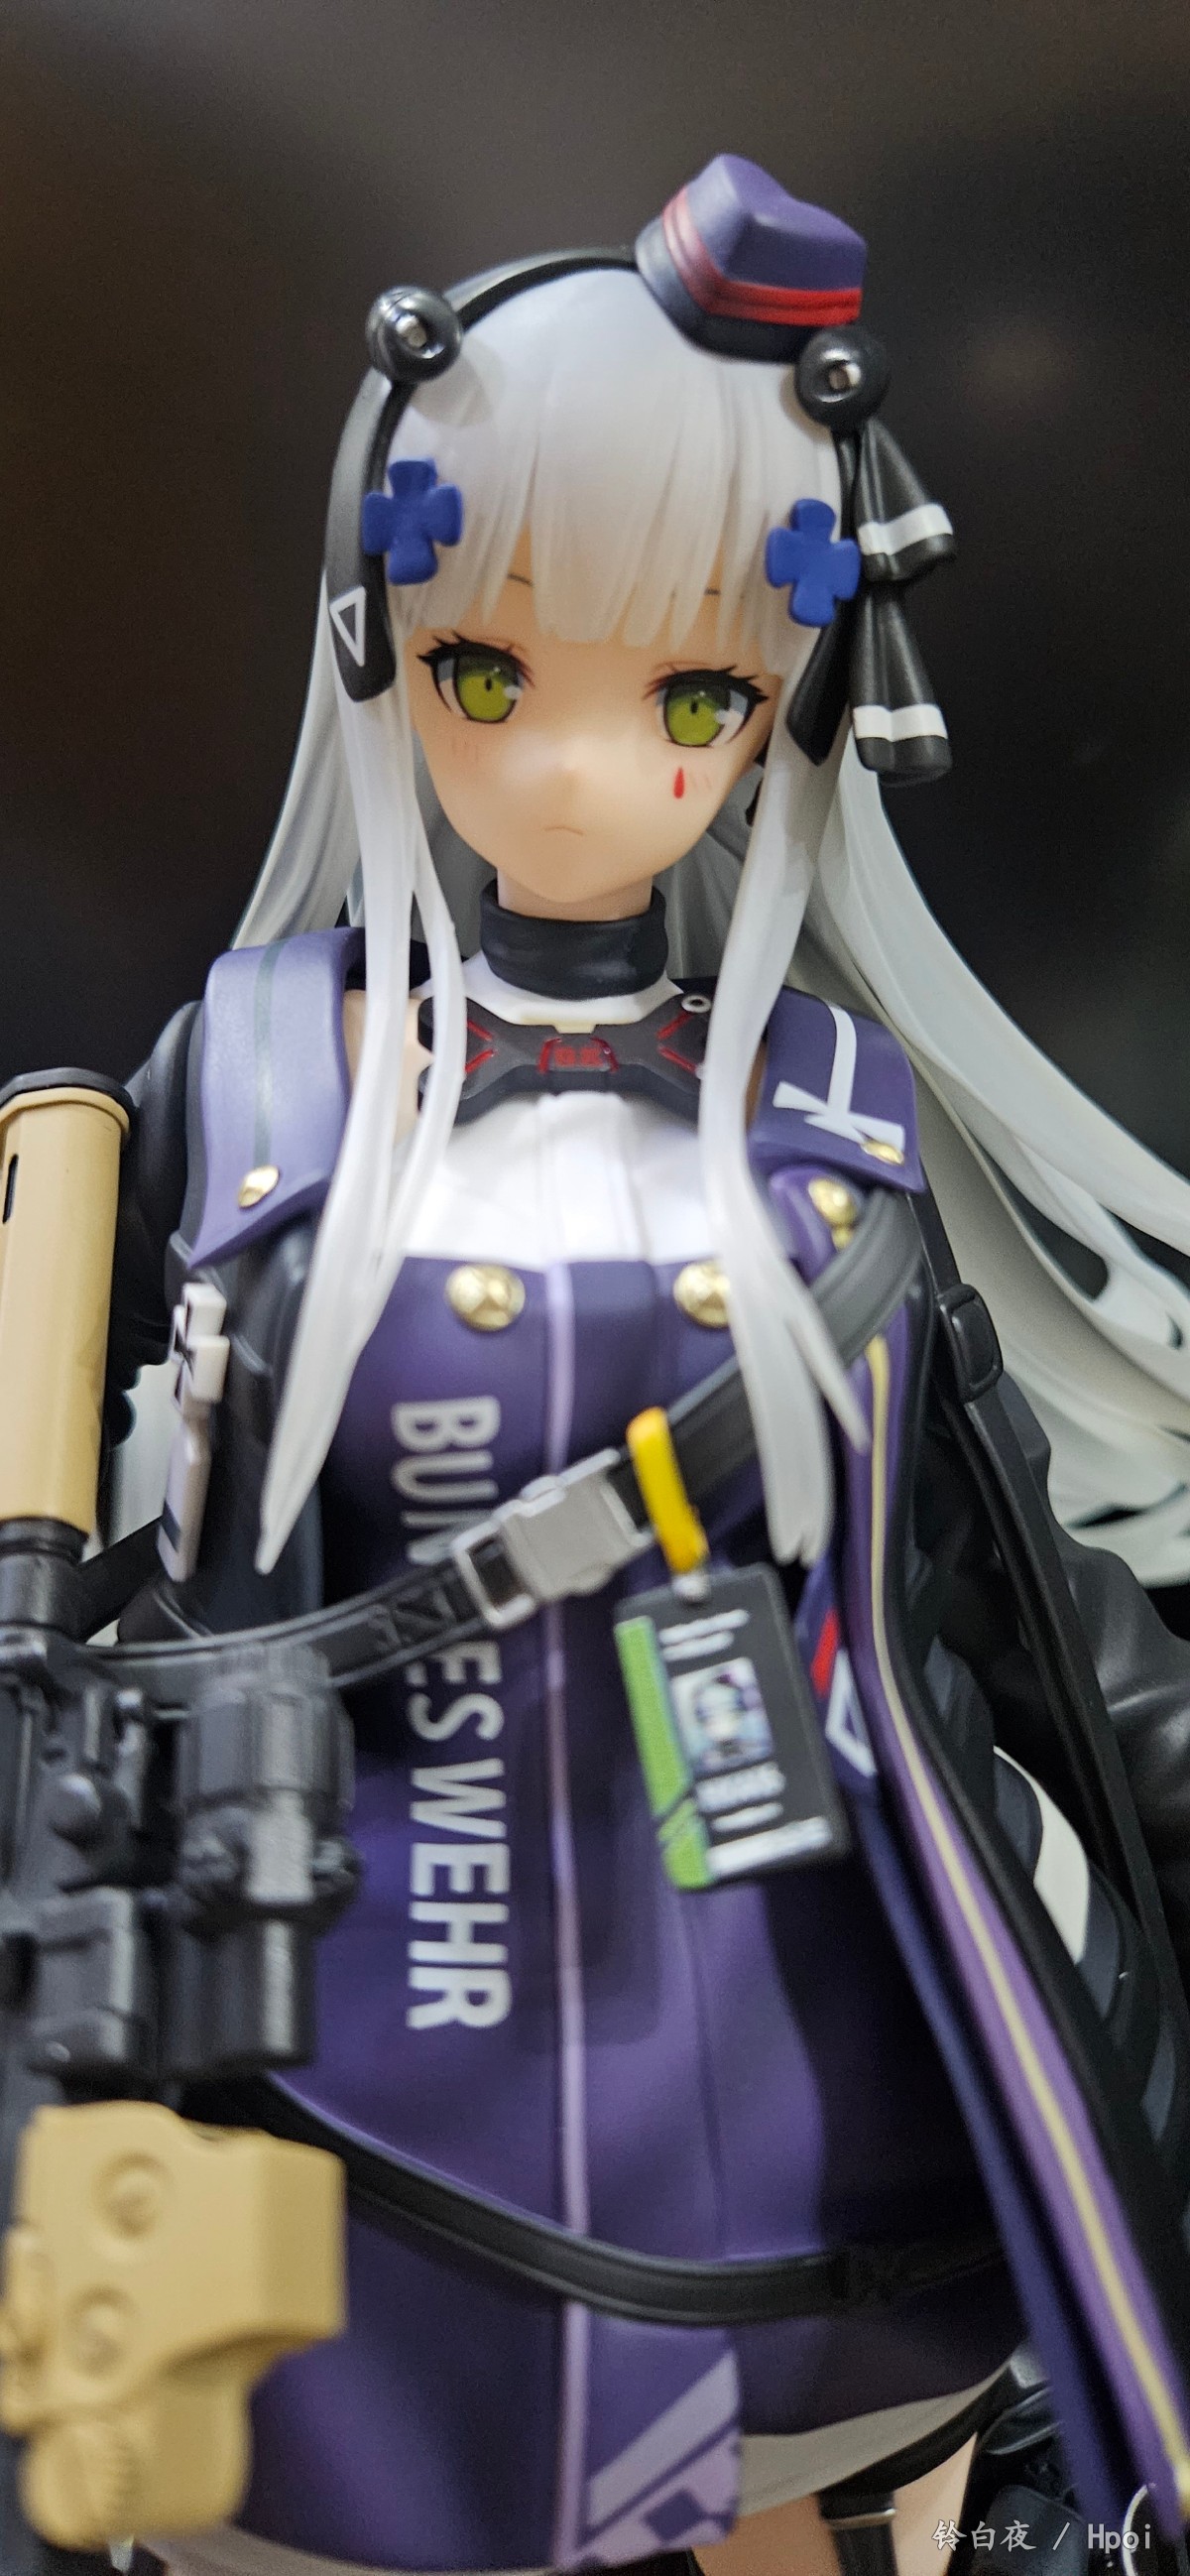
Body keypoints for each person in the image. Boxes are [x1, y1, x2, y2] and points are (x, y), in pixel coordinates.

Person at [100, 156, 1190, 2576]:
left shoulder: (822, 1125)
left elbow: (980, 1562)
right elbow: (96, 1527)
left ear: (785, 705)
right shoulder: (255, 1082)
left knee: (803, 2482)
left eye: (690, 694)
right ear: (386, 643)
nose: (583, 770)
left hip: (779, 2019)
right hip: (341, 2005)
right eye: (493, 672)